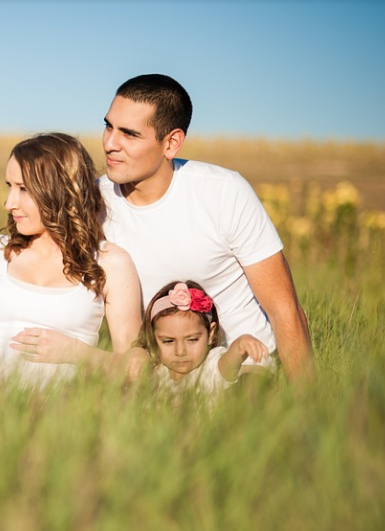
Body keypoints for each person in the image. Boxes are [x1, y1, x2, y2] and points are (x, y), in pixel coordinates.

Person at [92, 73, 311, 381]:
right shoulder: (92, 202)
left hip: (242, 369)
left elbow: (284, 308)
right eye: (108, 126)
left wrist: (308, 407)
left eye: (129, 134)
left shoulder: (224, 191)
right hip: (157, 373)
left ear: (171, 143)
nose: (110, 143)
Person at [0, 132, 142, 387]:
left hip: (59, 420)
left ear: (61, 190)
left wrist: (76, 353)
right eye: (9, 186)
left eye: (24, 189)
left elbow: (137, 369)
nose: (10, 203)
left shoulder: (111, 263)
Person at [137, 280, 271, 402]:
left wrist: (240, 346)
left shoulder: (210, 367)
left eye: (192, 339)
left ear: (211, 334)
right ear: (153, 338)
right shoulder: (155, 370)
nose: (180, 351)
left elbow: (229, 363)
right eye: (168, 341)